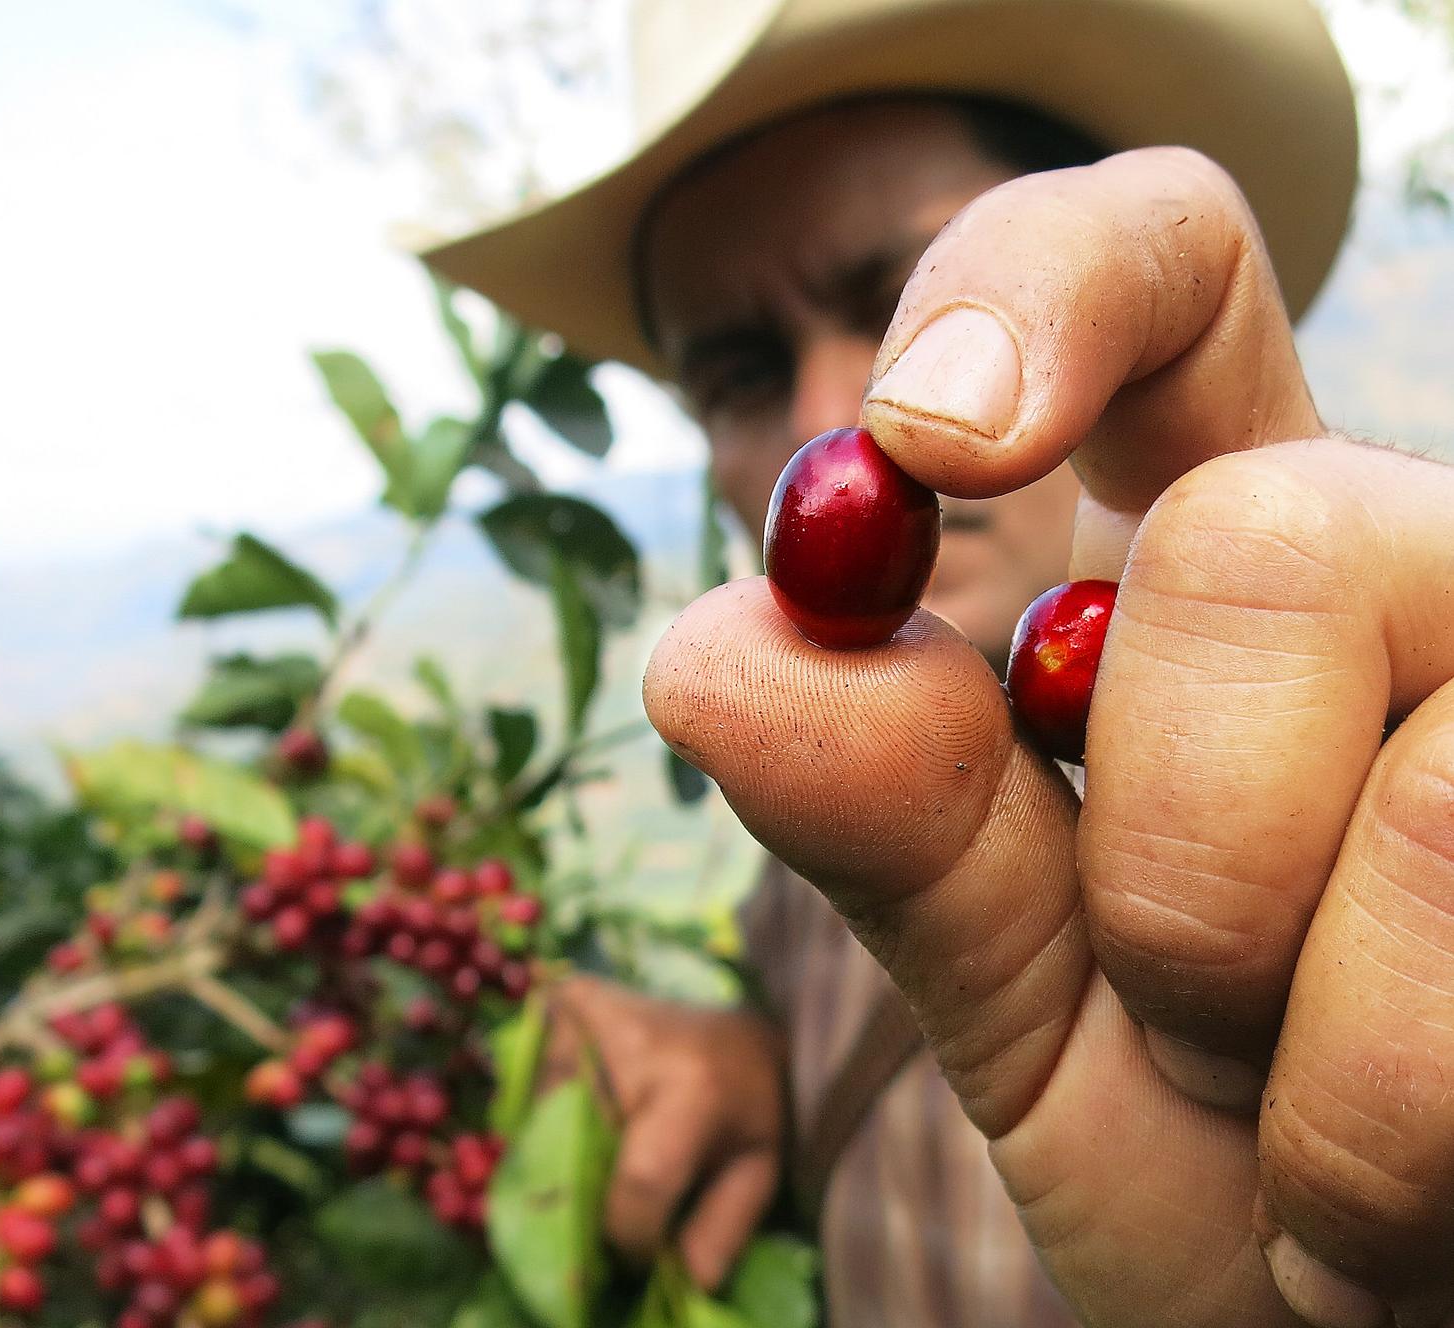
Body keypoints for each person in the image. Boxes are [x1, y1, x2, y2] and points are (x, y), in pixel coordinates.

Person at [422, 3, 1454, 1326]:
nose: (824, 422)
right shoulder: (810, 856)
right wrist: (756, 1078)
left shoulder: (1368, 813)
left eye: (906, 306)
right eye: (740, 373)